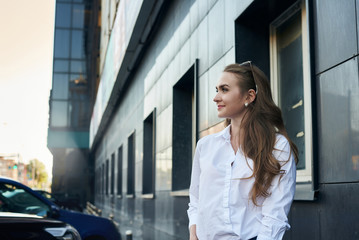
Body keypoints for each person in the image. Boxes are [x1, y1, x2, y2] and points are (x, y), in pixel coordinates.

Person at [187, 62, 298, 240]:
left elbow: (275, 215)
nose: (216, 97)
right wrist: (194, 231)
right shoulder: (205, 146)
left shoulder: (277, 146)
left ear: (249, 96)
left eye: (224, 90)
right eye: (217, 89)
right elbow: (196, 199)